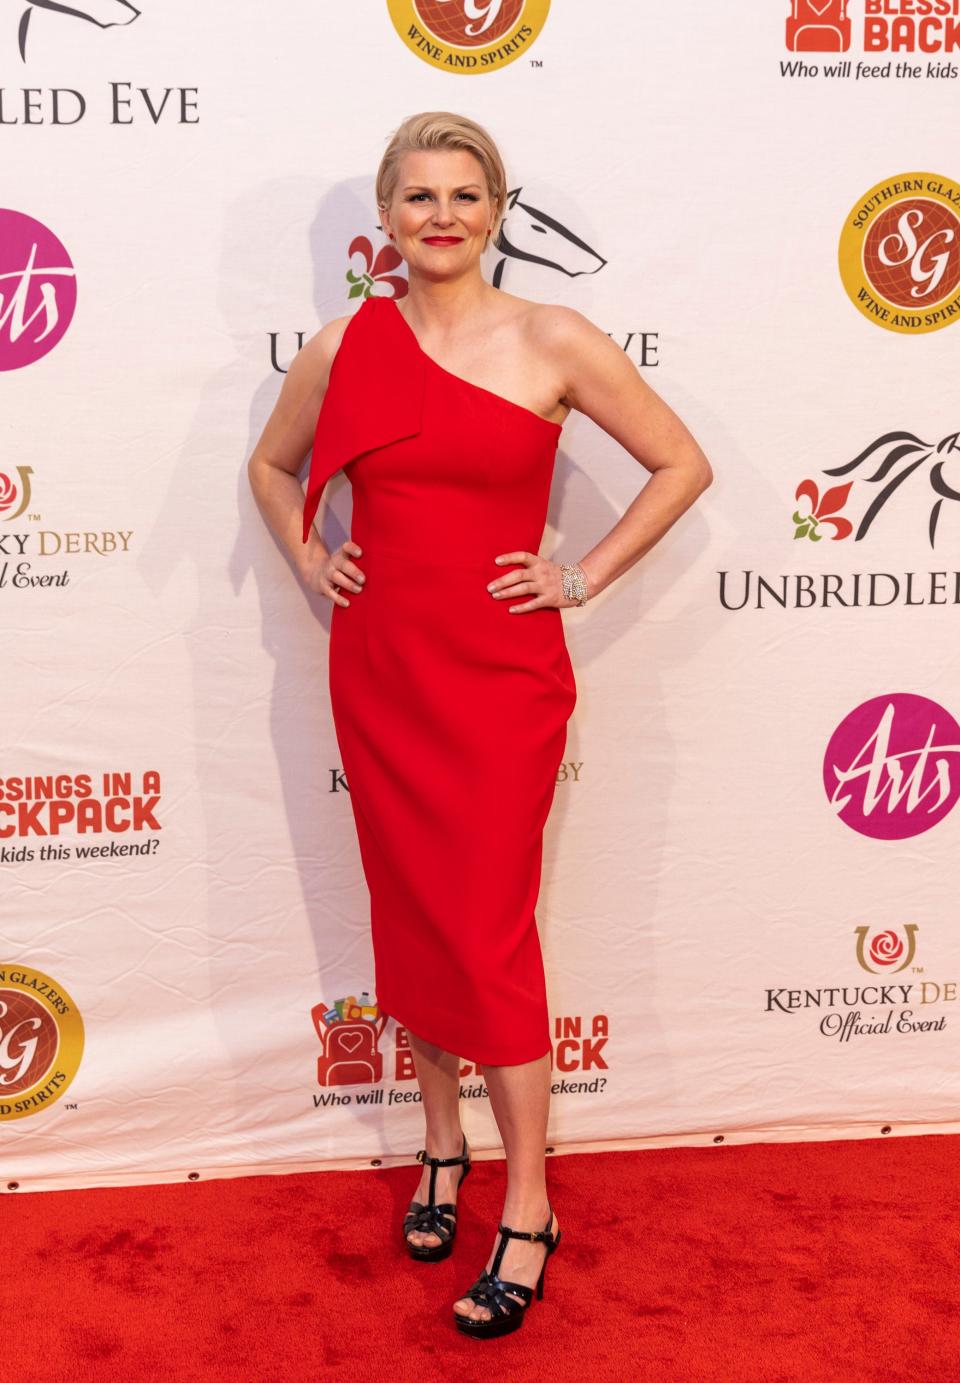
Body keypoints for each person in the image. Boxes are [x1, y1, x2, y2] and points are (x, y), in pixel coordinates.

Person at [247, 110, 712, 1339]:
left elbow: (682, 464)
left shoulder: (553, 336)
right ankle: (440, 1153)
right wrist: (313, 562)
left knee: (489, 934)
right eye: (417, 198)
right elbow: (273, 468)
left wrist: (582, 573)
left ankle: (531, 1206)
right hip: (384, 666)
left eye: (465, 195)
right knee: (413, 915)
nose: (441, 216)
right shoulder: (347, 343)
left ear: (498, 211)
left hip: (502, 678)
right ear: (385, 220)